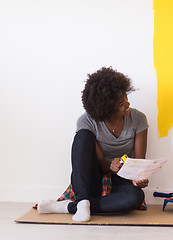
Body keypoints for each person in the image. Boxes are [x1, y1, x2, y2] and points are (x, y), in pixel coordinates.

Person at [37, 67, 149, 222]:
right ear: (107, 109)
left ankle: (68, 207)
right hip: (92, 179)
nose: (127, 104)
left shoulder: (138, 119)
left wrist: (139, 178)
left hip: (122, 178)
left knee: (135, 197)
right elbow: (102, 165)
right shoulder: (87, 121)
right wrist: (110, 165)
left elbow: (139, 164)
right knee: (82, 136)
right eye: (121, 103)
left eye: (126, 97)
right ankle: (82, 201)